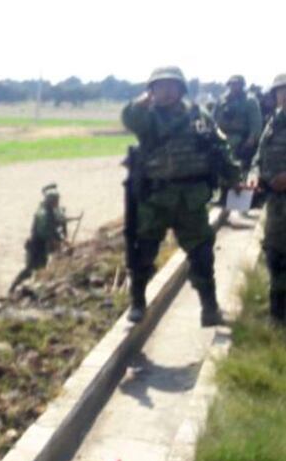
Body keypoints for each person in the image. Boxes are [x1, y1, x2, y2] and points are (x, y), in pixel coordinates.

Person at [121, 66, 240, 326]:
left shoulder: (199, 116)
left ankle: (209, 308)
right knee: (142, 252)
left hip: (191, 199)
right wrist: (143, 100)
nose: (165, 92)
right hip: (155, 199)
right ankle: (138, 302)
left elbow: (219, 147)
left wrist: (234, 177)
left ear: (181, 89)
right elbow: (128, 118)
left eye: (171, 86)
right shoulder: (148, 118)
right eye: (159, 87)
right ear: (151, 91)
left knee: (202, 254)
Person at [255, 73, 286, 323]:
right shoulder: (273, 122)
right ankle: (277, 315)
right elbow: (260, 155)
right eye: (280, 92)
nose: (283, 96)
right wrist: (256, 175)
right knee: (275, 254)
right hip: (276, 203)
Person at [8, 187, 73, 293]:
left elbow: (54, 226)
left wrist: (62, 238)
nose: (57, 202)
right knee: (30, 269)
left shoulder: (50, 211)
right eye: (56, 200)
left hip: (42, 245)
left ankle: (31, 288)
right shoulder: (43, 214)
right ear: (50, 200)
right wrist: (60, 241)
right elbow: (46, 232)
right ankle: (13, 288)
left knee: (41, 268)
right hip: (36, 246)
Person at [213, 75, 263, 173]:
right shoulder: (222, 100)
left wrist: (251, 139)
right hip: (222, 140)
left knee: (240, 170)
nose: (234, 87)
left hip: (241, 141)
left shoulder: (250, 101)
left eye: (237, 84)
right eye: (232, 84)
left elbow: (256, 123)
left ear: (242, 85)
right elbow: (214, 119)